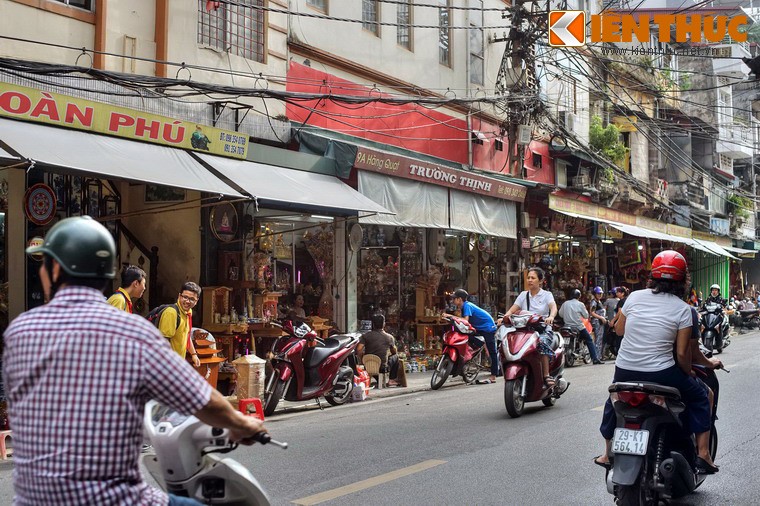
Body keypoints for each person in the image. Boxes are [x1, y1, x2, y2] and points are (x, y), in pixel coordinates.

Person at [4, 216, 266, 505]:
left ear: (54, 269)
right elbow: (201, 398)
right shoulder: (132, 331)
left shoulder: (20, 331)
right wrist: (242, 423)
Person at [595, 250, 719, 474]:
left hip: (624, 370)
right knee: (702, 395)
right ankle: (703, 454)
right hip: (661, 373)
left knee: (614, 400)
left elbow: (620, 330)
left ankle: (606, 453)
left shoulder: (633, 297)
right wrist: (688, 373)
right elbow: (682, 354)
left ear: (652, 276)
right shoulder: (684, 309)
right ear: (683, 281)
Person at [502, 267, 558, 387]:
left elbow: (553, 307)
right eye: (528, 278)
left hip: (542, 328)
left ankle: (546, 375)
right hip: (525, 329)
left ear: (541, 281)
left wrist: (551, 317)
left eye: (533, 278)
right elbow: (513, 309)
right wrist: (504, 318)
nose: (530, 280)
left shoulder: (546, 295)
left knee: (542, 343)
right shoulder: (523, 295)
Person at [445, 288, 499, 383]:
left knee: (492, 352)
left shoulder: (467, 306)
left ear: (460, 299)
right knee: (465, 339)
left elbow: (465, 320)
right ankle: (465, 363)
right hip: (478, 328)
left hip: (487, 328)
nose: (453, 301)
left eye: (454, 299)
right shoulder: (462, 307)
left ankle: (494, 375)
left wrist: (451, 316)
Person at [158, 282, 202, 368]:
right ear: (179, 296)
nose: (187, 301)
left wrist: (194, 354)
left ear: (196, 301)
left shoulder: (188, 312)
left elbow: (186, 335)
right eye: (185, 297)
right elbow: (163, 342)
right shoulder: (171, 313)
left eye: (192, 299)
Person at [558, 289, 604, 364]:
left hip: (567, 327)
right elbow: (586, 315)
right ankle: (595, 358)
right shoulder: (580, 304)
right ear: (579, 296)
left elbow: (560, 314)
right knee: (589, 340)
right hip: (578, 327)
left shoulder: (565, 303)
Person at [357, 314, 401, 387]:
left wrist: (362, 359)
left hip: (368, 365)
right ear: (384, 324)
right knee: (395, 357)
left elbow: (359, 349)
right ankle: (391, 380)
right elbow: (394, 352)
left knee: (373, 364)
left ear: (373, 324)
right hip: (382, 367)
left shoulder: (366, 336)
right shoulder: (389, 337)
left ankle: (379, 380)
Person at [589, 286, 607, 358]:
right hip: (597, 322)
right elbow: (592, 312)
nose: (600, 295)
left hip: (601, 323)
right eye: (598, 293)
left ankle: (598, 355)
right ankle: (597, 357)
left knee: (600, 339)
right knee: (598, 340)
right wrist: (601, 317)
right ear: (595, 294)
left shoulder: (599, 302)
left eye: (601, 293)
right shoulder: (594, 302)